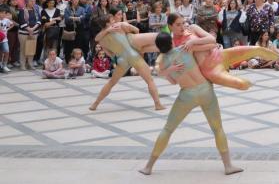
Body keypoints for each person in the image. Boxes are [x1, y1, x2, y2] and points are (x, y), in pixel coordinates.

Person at [139, 31, 243, 176]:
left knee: (168, 129)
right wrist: (193, 42)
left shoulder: (162, 63)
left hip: (187, 94)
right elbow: (212, 43)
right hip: (206, 90)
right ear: (171, 42)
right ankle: (228, 166)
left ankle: (148, 166)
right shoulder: (184, 48)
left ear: (158, 47)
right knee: (217, 129)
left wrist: (167, 71)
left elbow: (173, 82)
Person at [90, 12, 164, 111]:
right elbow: (136, 30)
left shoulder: (101, 39)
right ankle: (158, 104)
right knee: (150, 80)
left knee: (111, 83)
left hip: (122, 59)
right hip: (133, 55)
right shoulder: (119, 26)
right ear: (107, 23)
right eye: (112, 19)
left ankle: (95, 104)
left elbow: (110, 54)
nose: (114, 20)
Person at [0, 5, 13, 73]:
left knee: (7, 51)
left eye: (4, 13)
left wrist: (7, 29)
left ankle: (5, 65)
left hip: (4, 39)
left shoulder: (6, 20)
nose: (2, 14)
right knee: (0, 52)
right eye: (1, 13)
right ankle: (0, 64)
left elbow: (12, 24)